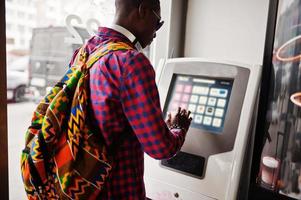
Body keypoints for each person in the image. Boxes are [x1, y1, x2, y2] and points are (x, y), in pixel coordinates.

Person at [70, 0, 192, 199]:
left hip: (84, 186)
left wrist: (161, 128)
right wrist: (178, 129)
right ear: (143, 11)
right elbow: (160, 147)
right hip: (117, 190)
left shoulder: (86, 51)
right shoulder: (132, 62)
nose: (155, 32)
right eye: (158, 22)